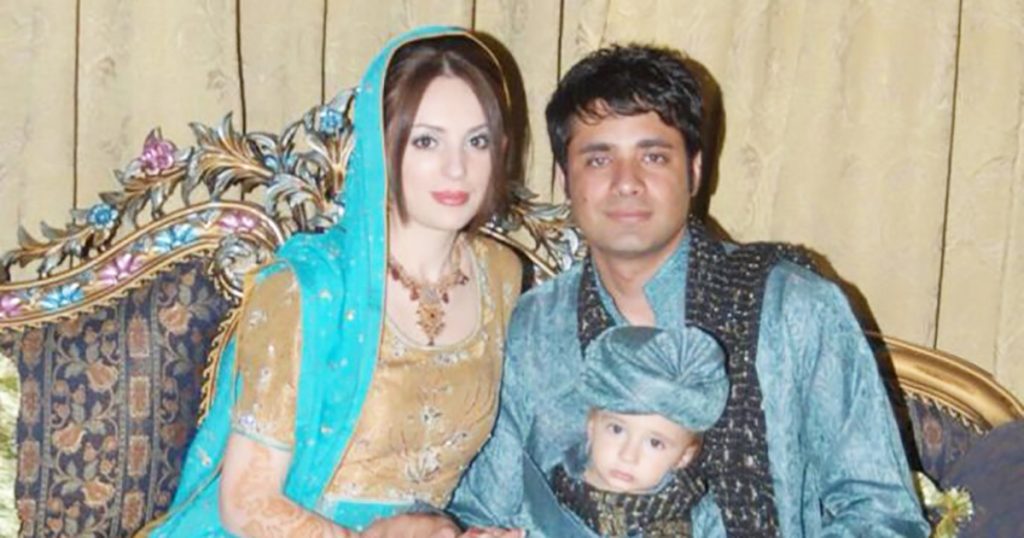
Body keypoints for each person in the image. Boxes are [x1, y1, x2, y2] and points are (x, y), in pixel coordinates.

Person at [446, 44, 931, 536]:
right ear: (564, 179)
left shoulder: (794, 309)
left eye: (653, 156)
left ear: (695, 171)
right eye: (598, 159)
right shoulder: (537, 323)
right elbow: (486, 507)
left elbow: (884, 517)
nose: (627, 182)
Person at [141, 26, 524, 537]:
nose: (457, 168)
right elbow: (247, 502)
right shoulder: (306, 289)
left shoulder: (501, 275)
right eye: (426, 141)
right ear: (381, 148)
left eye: (477, 141)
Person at [550, 325, 728, 537]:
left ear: (684, 456)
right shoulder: (546, 499)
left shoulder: (700, 519)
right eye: (617, 429)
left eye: (655, 443)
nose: (628, 456)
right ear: (592, 425)